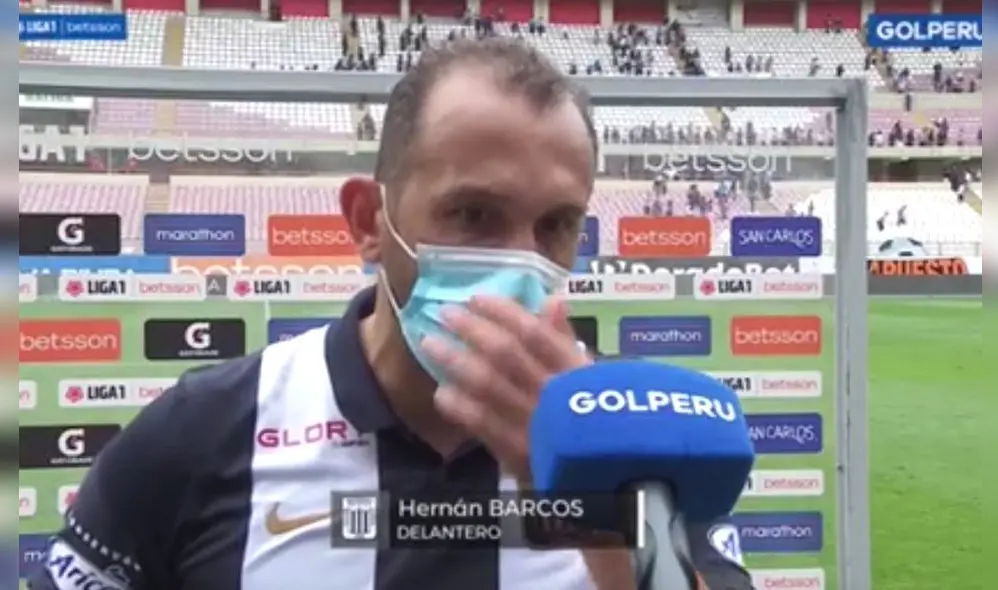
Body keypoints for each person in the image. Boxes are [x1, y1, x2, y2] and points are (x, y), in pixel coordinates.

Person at [27, 38, 753, 590]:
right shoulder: (203, 432)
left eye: (556, 225)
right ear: (369, 221)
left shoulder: (646, 444)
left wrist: (588, 501)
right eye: (474, 214)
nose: (520, 261)